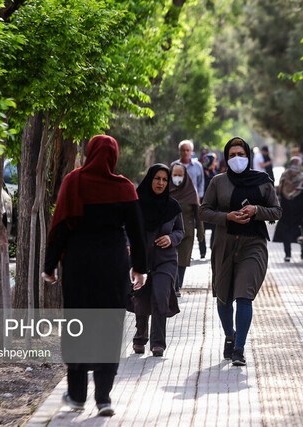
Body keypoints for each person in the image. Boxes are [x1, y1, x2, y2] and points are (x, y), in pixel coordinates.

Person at [43, 134, 147, 416]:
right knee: (108, 329)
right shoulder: (124, 187)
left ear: (89, 153)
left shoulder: (73, 182)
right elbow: (137, 233)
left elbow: (60, 227)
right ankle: (103, 398)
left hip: (79, 267)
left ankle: (77, 396)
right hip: (113, 266)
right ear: (113, 156)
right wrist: (139, 268)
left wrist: (49, 266)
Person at [199, 137, 281, 366]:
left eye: (241, 154)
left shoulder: (263, 181)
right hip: (224, 244)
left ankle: (239, 348)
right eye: (232, 155)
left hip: (253, 244)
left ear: (249, 156)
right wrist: (226, 217)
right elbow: (204, 211)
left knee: (244, 296)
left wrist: (256, 210)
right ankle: (229, 335)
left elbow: (276, 211)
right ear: (226, 158)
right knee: (224, 298)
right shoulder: (218, 182)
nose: (237, 158)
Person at [131, 164, 184, 358]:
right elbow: (127, 228)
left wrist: (171, 238)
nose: (161, 183)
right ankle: (140, 336)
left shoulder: (173, 206)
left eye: (164, 179)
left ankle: (158, 343)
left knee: (161, 296)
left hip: (166, 259)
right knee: (141, 297)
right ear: (150, 179)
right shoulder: (136, 203)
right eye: (157, 179)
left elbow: (181, 231)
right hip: (141, 258)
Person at [273, 156, 303, 262]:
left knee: (287, 230)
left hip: (287, 208)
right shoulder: (302, 177)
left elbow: (279, 190)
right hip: (298, 208)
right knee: (302, 229)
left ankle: (289, 255)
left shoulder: (285, 175)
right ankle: (302, 254)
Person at [169, 163, 199, 297]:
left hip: (187, 232)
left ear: (185, 176)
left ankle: (177, 285)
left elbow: (199, 214)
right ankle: (173, 287)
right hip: (169, 232)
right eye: (174, 175)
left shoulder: (190, 191)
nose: (177, 178)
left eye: (179, 175)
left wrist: (201, 236)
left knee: (182, 260)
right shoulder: (165, 190)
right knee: (172, 259)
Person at [174, 139, 205, 256]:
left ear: (191, 151)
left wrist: (200, 197)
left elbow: (201, 182)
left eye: (188, 150)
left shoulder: (197, 166)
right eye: (183, 150)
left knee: (199, 225)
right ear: (180, 151)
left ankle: (202, 251)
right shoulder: (175, 165)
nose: (185, 152)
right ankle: (184, 252)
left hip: (195, 200)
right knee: (183, 225)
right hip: (180, 202)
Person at [199, 152, 218, 258]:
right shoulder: (201, 175)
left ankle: (212, 248)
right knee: (201, 229)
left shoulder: (214, 175)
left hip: (213, 207)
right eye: (214, 161)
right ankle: (203, 251)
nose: (215, 163)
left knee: (214, 228)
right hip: (202, 205)